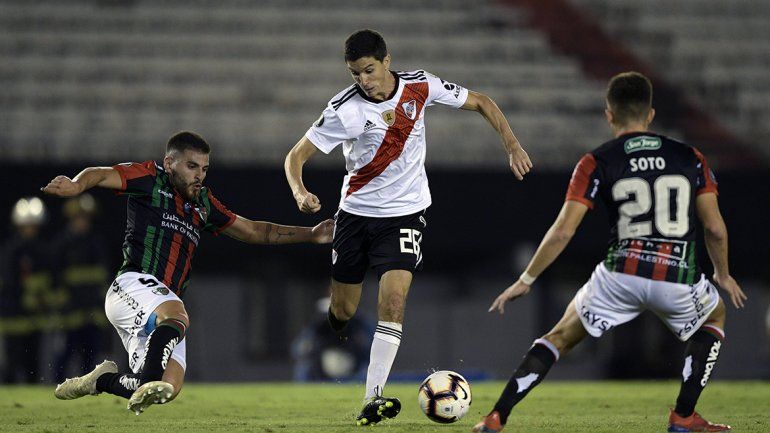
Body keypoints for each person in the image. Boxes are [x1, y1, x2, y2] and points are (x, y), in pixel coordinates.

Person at [472, 72, 747, 433]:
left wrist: (527, 278)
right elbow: (713, 227)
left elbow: (564, 230)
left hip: (620, 274)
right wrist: (722, 273)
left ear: (609, 114)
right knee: (714, 317)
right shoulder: (690, 158)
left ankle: (496, 417)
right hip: (677, 275)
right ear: (650, 114)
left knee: (558, 338)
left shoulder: (596, 161)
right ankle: (683, 415)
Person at [284, 29, 532, 425]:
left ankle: (372, 397)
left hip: (405, 214)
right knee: (343, 310)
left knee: (394, 301)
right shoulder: (343, 109)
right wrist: (300, 192)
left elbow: (482, 102)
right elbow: (295, 156)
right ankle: (336, 326)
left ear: (386, 60)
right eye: (354, 74)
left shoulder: (421, 85)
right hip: (355, 217)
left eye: (368, 70)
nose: (363, 80)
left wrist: (512, 143)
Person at [43, 131, 333, 414]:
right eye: (192, 166)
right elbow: (100, 173)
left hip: (160, 306)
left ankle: (101, 381)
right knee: (177, 315)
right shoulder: (148, 178)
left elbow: (255, 231)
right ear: (169, 163)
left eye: (204, 169)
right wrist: (77, 185)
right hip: (132, 286)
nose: (200, 175)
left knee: (166, 387)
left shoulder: (203, 203)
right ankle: (142, 376)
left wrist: (312, 234)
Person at [52, 193, 111, 383]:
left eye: (85, 218)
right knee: (64, 355)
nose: (82, 222)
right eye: (79, 218)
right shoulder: (62, 244)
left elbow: (103, 276)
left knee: (90, 357)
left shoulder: (97, 243)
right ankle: (56, 388)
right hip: (69, 313)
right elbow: (55, 276)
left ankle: (87, 389)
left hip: (91, 313)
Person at [0, 197, 53, 383]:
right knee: (13, 362)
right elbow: (9, 281)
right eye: (27, 225)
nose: (31, 229)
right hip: (14, 315)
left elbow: (48, 279)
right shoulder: (11, 250)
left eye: (34, 225)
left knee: (34, 362)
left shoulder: (42, 250)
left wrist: (42, 299)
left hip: (34, 316)